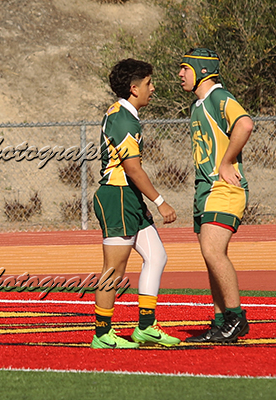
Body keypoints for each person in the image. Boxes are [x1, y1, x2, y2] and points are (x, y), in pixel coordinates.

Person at [91, 58, 180, 349]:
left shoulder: (121, 113)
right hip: (117, 196)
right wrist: (160, 201)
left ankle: (145, 327)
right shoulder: (124, 119)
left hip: (128, 196)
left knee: (157, 256)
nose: (152, 89)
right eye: (148, 83)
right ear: (133, 88)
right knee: (114, 270)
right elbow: (132, 169)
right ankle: (102, 333)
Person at [178, 48, 253, 343]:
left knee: (212, 252)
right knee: (210, 257)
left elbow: (245, 124)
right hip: (206, 190)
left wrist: (226, 161)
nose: (180, 74)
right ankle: (221, 322)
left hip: (223, 188)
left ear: (201, 70)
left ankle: (236, 318)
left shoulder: (218, 97)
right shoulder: (198, 105)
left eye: (185, 68)